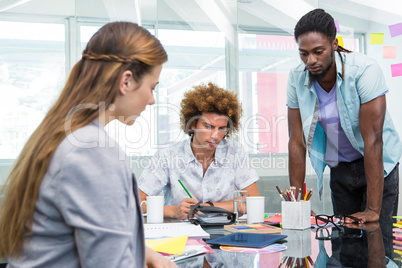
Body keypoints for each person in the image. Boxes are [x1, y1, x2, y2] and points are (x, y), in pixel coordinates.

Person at [0, 22, 176, 267]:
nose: (152, 100)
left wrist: (144, 253)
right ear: (126, 81)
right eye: (151, 87)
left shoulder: (67, 134)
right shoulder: (93, 152)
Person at [287, 8, 401, 258]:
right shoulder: (296, 78)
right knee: (344, 248)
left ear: (334, 44)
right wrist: (297, 204)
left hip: (378, 165)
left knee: (376, 241)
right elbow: (296, 142)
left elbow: (373, 141)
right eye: (303, 53)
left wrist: (372, 209)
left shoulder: (364, 70)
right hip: (340, 167)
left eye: (318, 51)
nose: (311, 60)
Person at [138, 82, 260, 220]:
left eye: (221, 128)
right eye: (208, 126)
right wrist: (173, 211)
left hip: (224, 232)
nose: (215, 135)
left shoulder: (234, 153)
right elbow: (137, 203)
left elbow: (253, 201)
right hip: (181, 235)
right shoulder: (167, 157)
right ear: (192, 124)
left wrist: (207, 207)